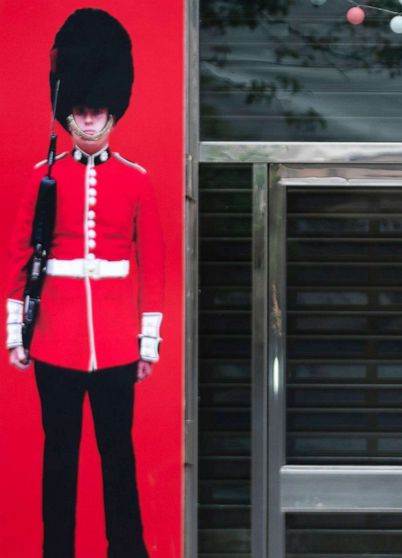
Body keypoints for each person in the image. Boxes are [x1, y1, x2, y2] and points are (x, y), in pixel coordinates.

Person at [5, 9, 164, 558]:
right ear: (68, 113)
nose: (90, 121)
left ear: (112, 113)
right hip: (55, 340)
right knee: (60, 457)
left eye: (97, 111)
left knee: (118, 454)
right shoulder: (41, 178)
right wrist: (16, 334)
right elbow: (20, 257)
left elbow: (155, 265)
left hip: (118, 342)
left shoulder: (136, 180)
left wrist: (147, 341)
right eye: (80, 111)